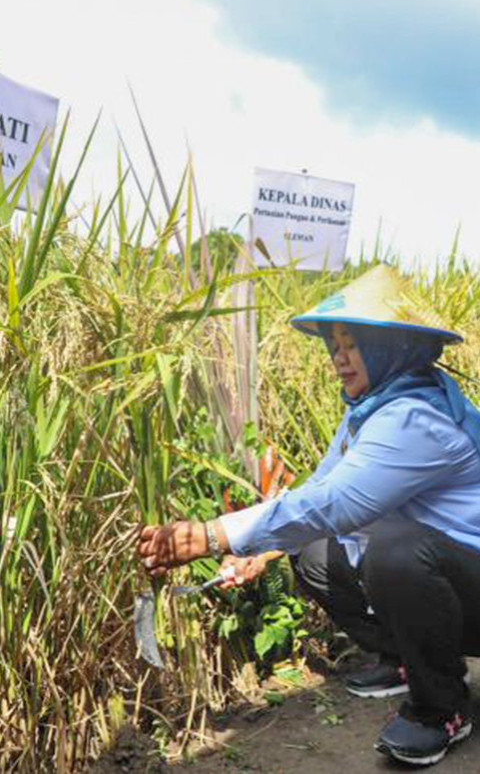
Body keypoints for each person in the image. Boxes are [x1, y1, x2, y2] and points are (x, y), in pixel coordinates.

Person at [138, 264, 480, 767]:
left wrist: (212, 537)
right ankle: (407, 661)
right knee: (312, 552)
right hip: (452, 581)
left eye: (352, 343)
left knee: (396, 550)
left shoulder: (416, 418)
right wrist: (261, 550)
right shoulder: (371, 406)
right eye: (334, 345)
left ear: (392, 349)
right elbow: (320, 487)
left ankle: (441, 708)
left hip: (469, 580)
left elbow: (337, 503)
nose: (339, 358)